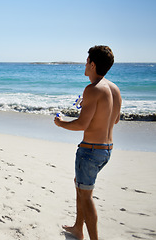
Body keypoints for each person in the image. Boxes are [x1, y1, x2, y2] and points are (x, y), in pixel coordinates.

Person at [54, 45, 121, 240]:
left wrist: (61, 123)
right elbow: (114, 120)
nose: (84, 64)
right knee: (81, 185)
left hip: (91, 150)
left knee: (86, 196)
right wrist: (90, 106)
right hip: (107, 149)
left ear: (92, 64)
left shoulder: (92, 89)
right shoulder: (114, 89)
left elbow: (82, 124)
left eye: (86, 61)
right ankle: (77, 227)